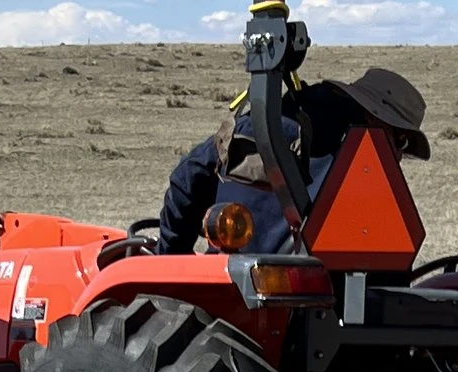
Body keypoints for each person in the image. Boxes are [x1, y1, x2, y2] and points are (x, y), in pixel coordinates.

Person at [155, 63, 430, 255]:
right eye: (400, 141)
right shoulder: (359, 165)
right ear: (374, 117)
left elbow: (188, 176)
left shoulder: (268, 122)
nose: (398, 157)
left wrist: (171, 260)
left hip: (231, 291)